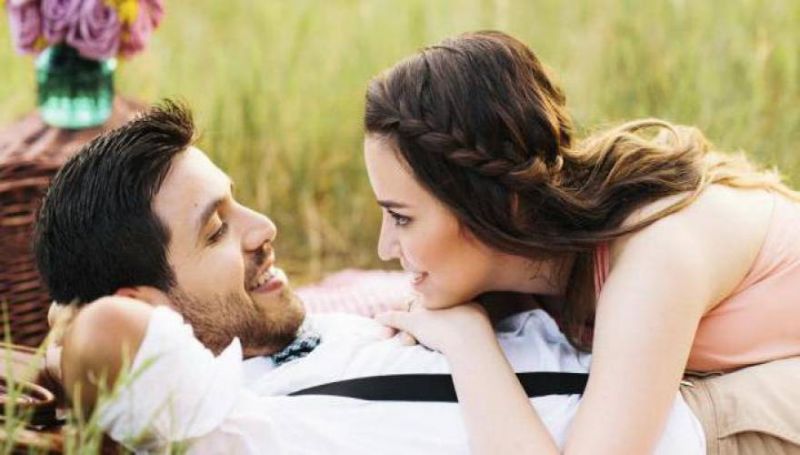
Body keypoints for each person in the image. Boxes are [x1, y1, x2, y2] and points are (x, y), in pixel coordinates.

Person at [33, 101, 704, 453]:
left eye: (238, 204)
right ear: (148, 310)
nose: (263, 227)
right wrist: (57, 352)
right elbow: (105, 332)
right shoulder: (213, 422)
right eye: (216, 230)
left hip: (653, 366)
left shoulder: (294, 335)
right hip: (696, 433)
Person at [363, 30, 800, 454]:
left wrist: (467, 339)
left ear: (490, 204)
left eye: (402, 217)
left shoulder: (652, 257)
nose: (385, 248)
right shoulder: (537, 262)